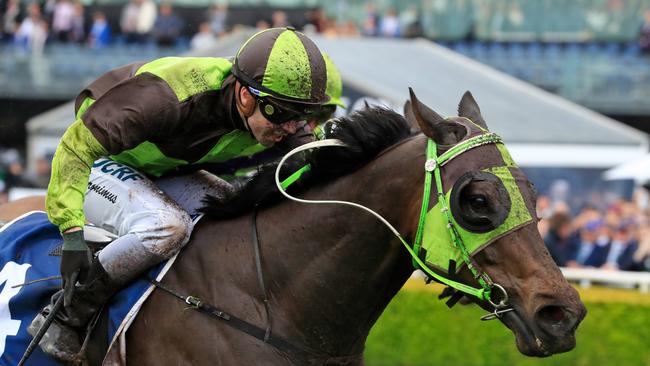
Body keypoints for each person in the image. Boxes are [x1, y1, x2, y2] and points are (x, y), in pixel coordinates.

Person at [28, 27, 330, 363]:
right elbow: (74, 150)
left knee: (235, 219)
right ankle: (66, 313)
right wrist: (72, 233)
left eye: (302, 115)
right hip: (97, 160)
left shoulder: (278, 114)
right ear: (246, 96)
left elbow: (313, 159)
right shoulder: (168, 96)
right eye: (283, 115)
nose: (291, 129)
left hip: (160, 169)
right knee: (167, 225)